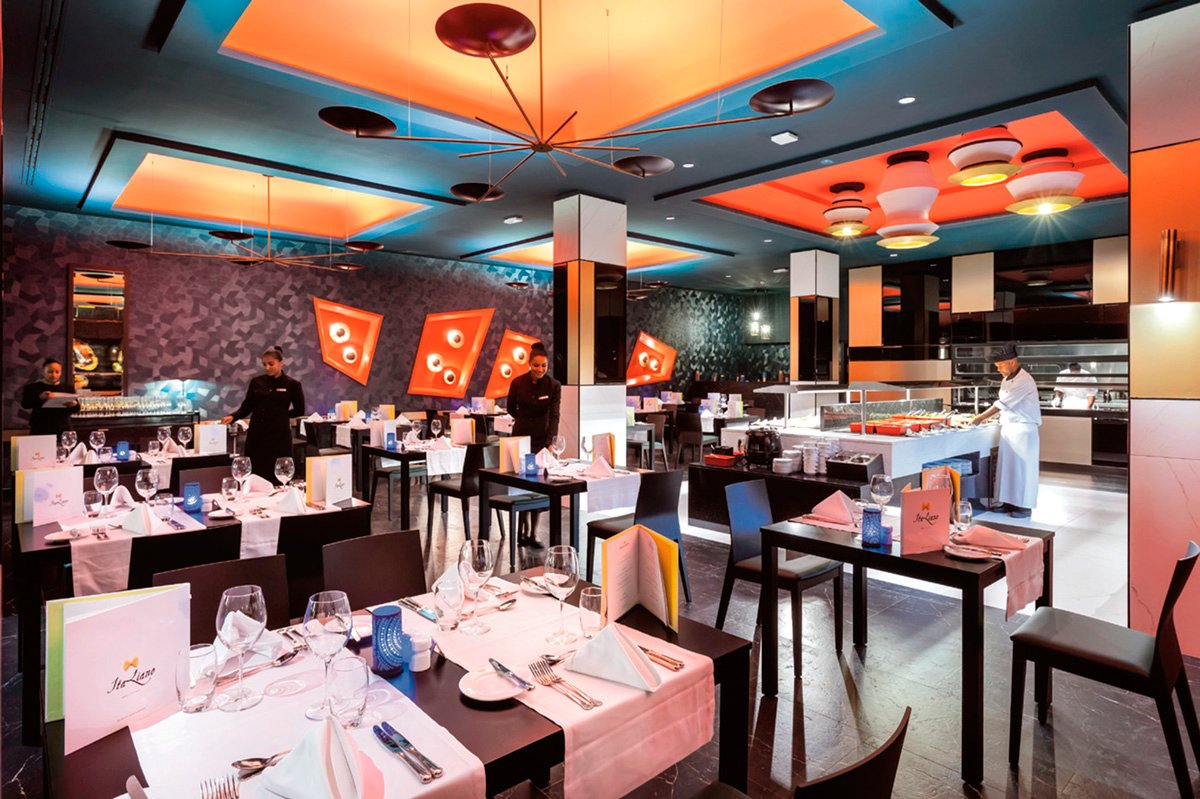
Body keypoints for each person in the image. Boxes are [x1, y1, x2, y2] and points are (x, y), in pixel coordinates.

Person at [971, 343, 1041, 518]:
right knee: (1007, 469)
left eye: (1000, 365)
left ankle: (1024, 506)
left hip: (1023, 430)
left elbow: (1002, 404)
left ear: (1012, 362)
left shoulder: (1024, 380)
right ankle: (1007, 502)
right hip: (1009, 429)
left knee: (1022, 470)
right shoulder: (1006, 379)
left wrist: (980, 417)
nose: (998, 369)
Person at [504, 343, 561, 546]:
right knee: (521, 482)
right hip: (521, 438)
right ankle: (522, 530)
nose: (540, 369)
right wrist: (523, 419)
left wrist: (551, 441)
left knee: (539, 484)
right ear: (529, 364)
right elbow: (510, 408)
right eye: (536, 365)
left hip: (541, 440)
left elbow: (555, 415)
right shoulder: (517, 383)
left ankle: (533, 534)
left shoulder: (554, 385)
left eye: (544, 365)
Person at [221, 346, 305, 481]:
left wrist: (281, 415)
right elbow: (247, 406)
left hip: (279, 434)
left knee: (279, 472)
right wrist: (233, 416)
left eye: (271, 364)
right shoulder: (256, 382)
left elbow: (300, 410)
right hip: (257, 433)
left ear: (281, 363)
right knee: (256, 471)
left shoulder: (292, 384)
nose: (267, 368)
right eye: (264, 364)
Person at [19, 358, 79, 437]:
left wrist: (74, 405)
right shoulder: (33, 387)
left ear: (61, 373)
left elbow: (77, 409)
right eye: (50, 372)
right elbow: (25, 404)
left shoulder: (68, 388)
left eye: (57, 372)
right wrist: (40, 397)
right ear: (43, 372)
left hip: (63, 428)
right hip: (40, 428)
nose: (54, 375)